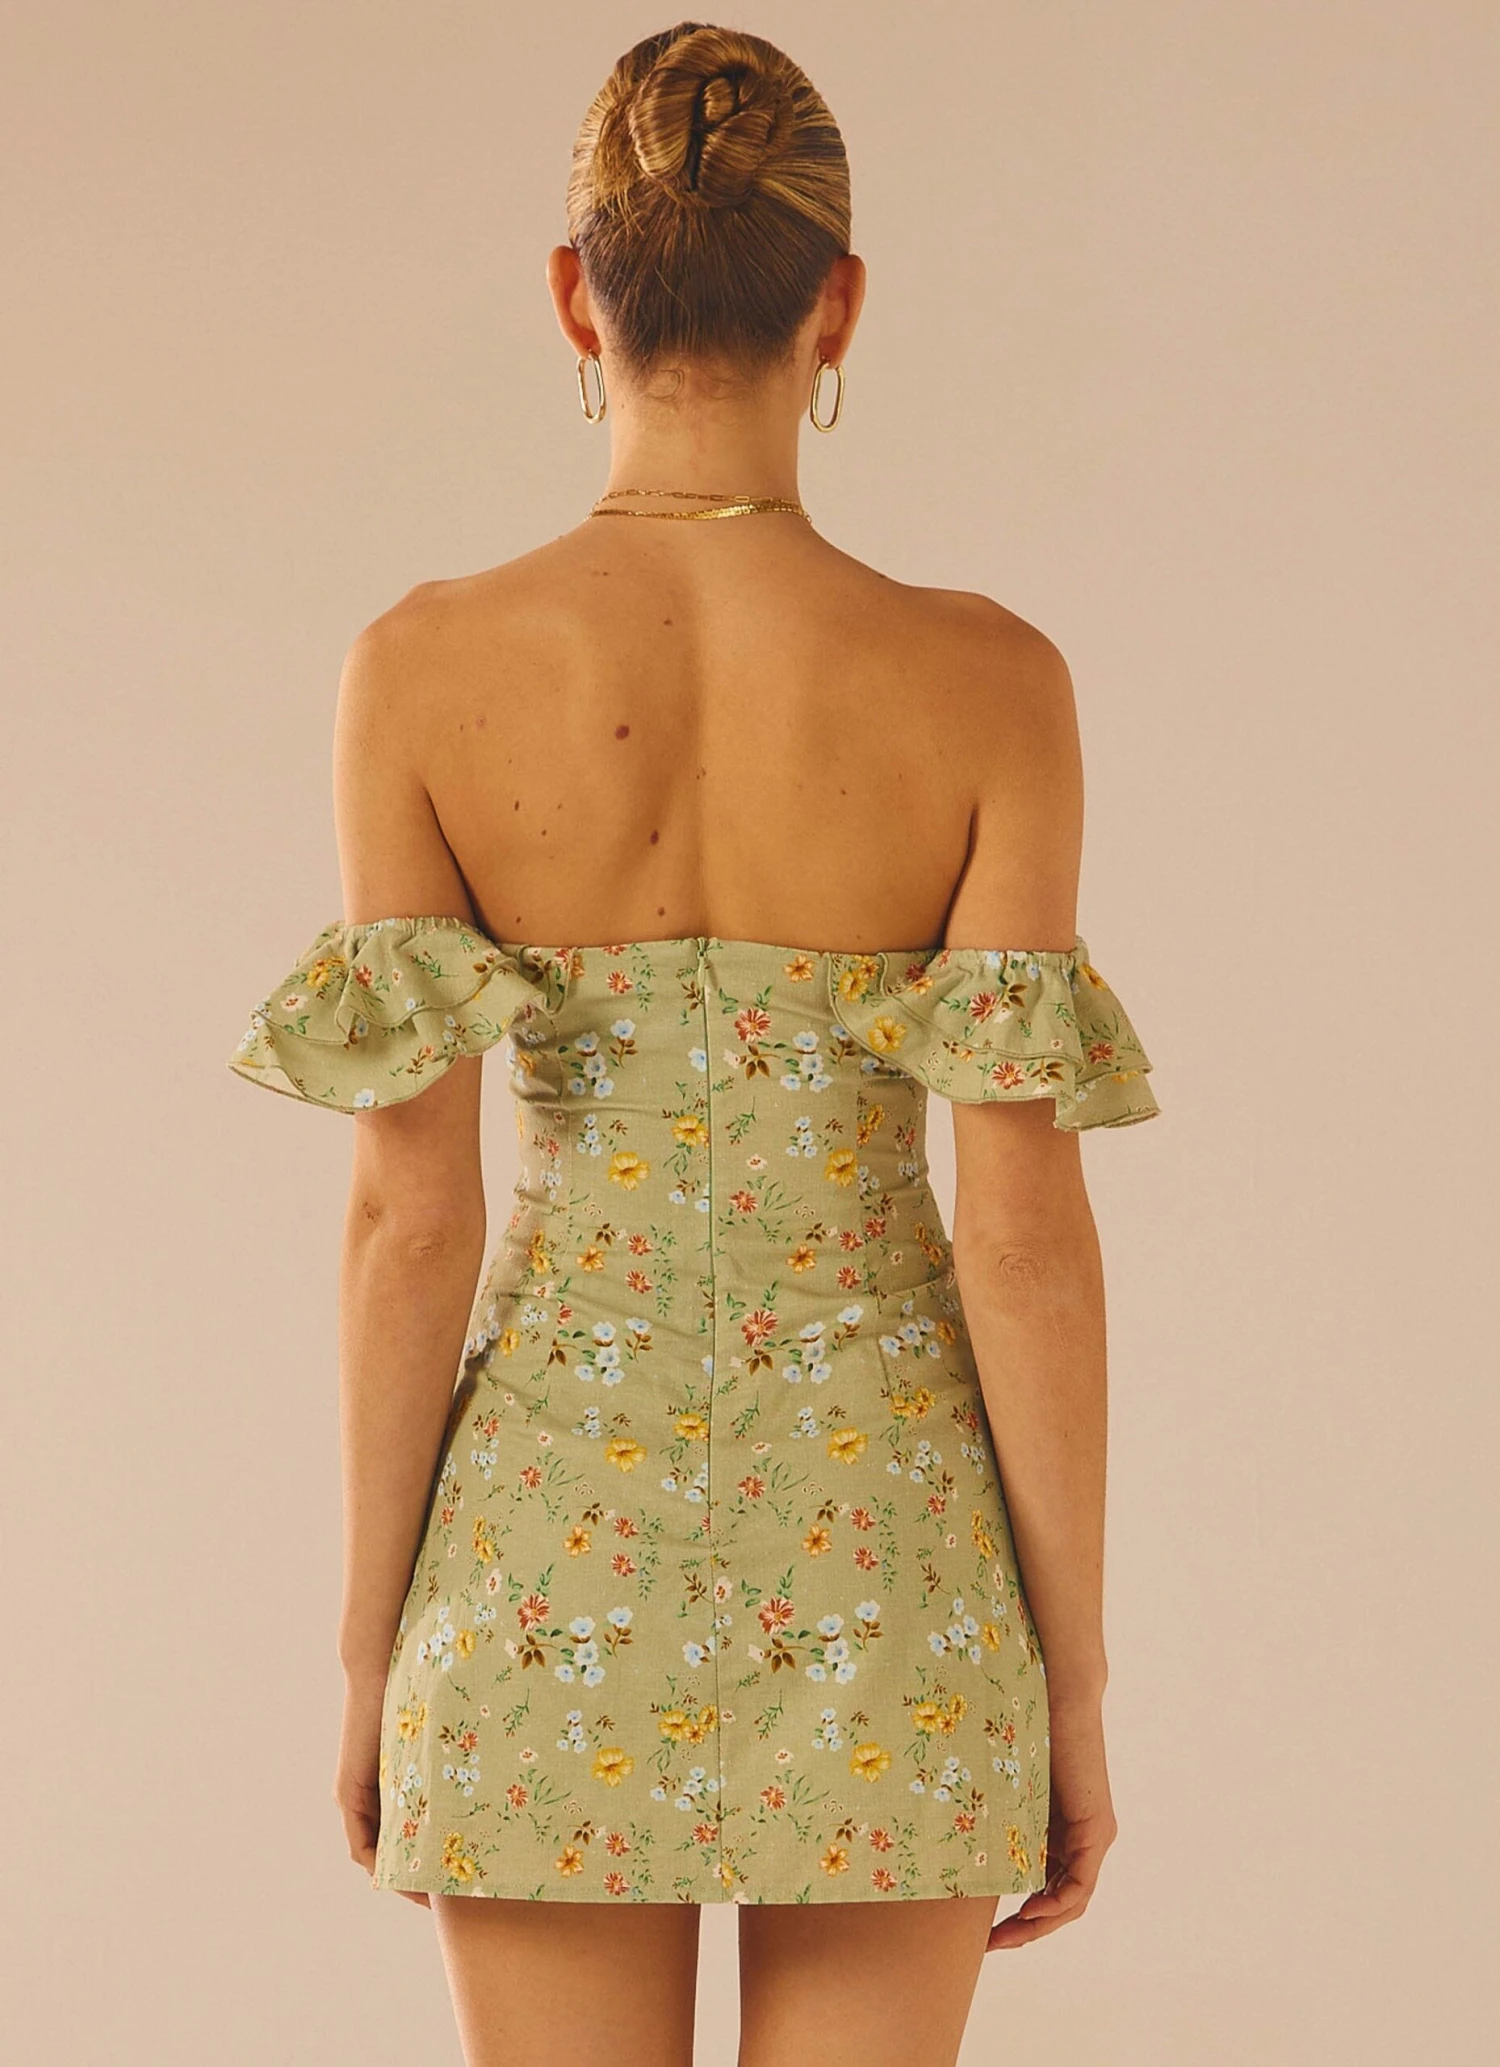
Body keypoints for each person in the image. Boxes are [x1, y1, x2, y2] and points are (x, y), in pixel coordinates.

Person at [228, 20, 1161, 2067]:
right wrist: (1074, 1681)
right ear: (840, 304)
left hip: (537, 1556)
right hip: (898, 1566)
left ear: (579, 296)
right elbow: (1022, 1234)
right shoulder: (990, 682)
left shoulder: (420, 669)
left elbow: (410, 1221)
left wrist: (371, 1646)